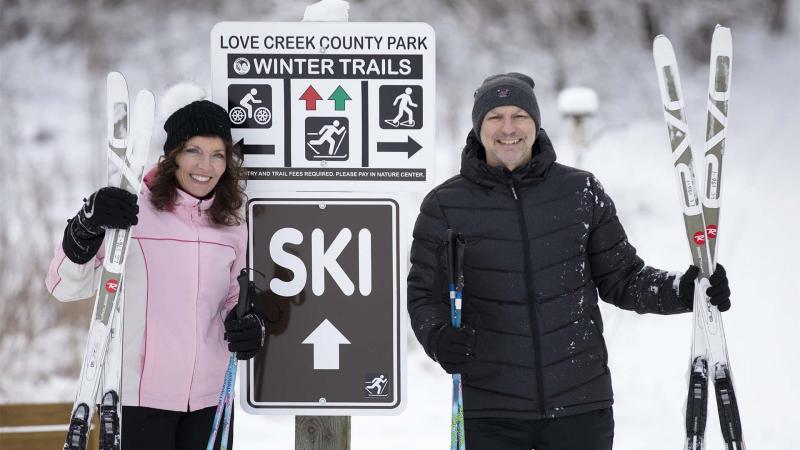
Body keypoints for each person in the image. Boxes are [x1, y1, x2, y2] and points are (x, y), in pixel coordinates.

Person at [407, 72, 732, 450]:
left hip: (579, 404)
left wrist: (684, 290)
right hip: (490, 410)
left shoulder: (580, 191)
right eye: (495, 117)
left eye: (519, 116)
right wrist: (438, 337)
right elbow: (423, 296)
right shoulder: (445, 205)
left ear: (536, 123)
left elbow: (623, 278)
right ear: (478, 127)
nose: (508, 128)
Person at [46, 84, 265, 450]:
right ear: (173, 156)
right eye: (193, 151)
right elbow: (64, 286)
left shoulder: (232, 221)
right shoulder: (133, 211)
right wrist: (85, 226)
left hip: (211, 401)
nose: (205, 166)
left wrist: (246, 323)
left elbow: (233, 295)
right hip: (139, 401)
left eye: (217, 155)